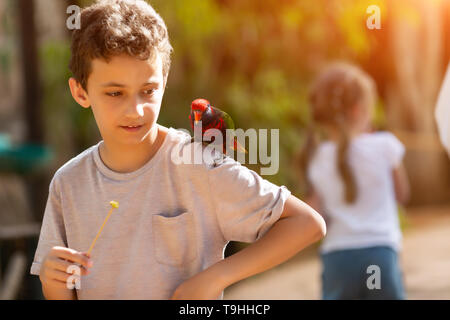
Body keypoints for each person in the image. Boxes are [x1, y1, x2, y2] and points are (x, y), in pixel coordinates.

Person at [30, 0, 326, 300]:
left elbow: (306, 223)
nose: (135, 110)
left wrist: (216, 277)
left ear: (164, 82)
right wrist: (53, 281)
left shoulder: (198, 165)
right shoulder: (67, 185)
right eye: (115, 93)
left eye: (147, 91)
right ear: (81, 92)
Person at [300, 62, 410, 300]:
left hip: (338, 257)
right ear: (359, 110)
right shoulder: (385, 145)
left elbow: (314, 215)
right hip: (380, 254)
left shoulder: (317, 156)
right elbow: (402, 194)